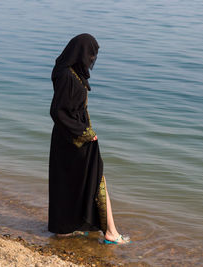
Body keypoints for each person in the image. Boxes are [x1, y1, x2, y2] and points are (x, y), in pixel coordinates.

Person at [48, 33, 130, 244]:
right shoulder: (67, 75)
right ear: (81, 52)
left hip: (66, 137)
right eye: (91, 54)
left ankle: (66, 228)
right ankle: (111, 232)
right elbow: (58, 111)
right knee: (97, 180)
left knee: (69, 182)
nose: (92, 60)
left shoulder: (68, 70)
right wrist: (86, 134)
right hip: (76, 138)